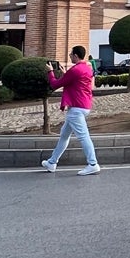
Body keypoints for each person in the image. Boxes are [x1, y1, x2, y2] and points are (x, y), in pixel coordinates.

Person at [41, 45, 101, 175]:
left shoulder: (75, 70)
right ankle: (52, 162)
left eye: (70, 54)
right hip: (83, 105)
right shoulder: (86, 68)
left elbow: (55, 84)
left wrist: (50, 72)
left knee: (83, 136)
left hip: (76, 108)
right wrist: (65, 74)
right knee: (64, 135)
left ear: (75, 56)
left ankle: (93, 163)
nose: (69, 55)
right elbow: (76, 82)